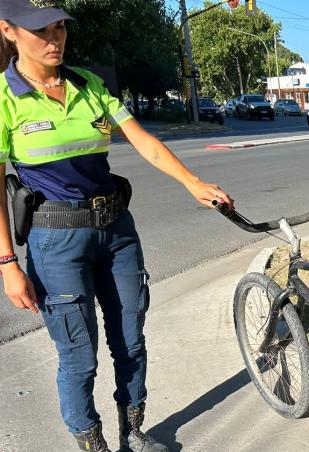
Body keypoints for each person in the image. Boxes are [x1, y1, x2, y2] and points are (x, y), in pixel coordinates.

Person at [0, 1, 233, 451]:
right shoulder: (4, 98)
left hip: (117, 230)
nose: (55, 39)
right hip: (56, 239)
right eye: (40, 31)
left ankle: (134, 432)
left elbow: (141, 138)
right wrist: (8, 262)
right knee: (78, 357)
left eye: (59, 29)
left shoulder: (88, 84)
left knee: (130, 342)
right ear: (8, 31)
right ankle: (93, 444)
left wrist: (192, 182)